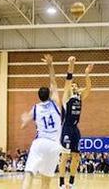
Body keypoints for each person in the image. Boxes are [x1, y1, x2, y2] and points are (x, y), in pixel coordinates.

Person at [19, 54, 66, 189]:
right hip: (53, 146)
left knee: (29, 173)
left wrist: (24, 120)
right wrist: (50, 65)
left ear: (39, 96)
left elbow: (23, 125)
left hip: (40, 143)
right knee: (46, 180)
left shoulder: (35, 108)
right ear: (49, 94)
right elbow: (53, 81)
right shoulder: (56, 103)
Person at [58, 56, 94, 189]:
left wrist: (86, 74)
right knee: (65, 156)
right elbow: (68, 81)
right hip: (66, 128)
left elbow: (89, 88)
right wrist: (71, 65)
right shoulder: (67, 97)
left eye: (75, 85)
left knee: (76, 156)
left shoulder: (79, 97)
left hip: (75, 129)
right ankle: (61, 183)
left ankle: (71, 182)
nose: (73, 86)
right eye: (72, 85)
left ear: (77, 88)